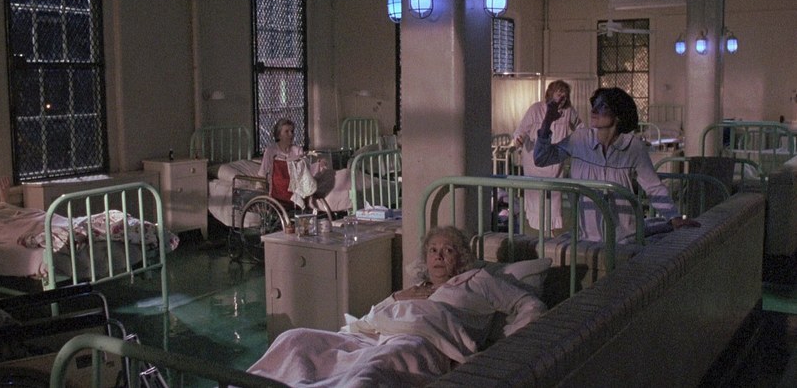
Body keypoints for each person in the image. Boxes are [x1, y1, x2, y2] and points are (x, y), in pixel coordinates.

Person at [245, 225, 546, 387]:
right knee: (295, 338)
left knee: (371, 371)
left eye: (448, 250)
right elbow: (370, 318)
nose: (438, 256)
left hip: (423, 341)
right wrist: (397, 298)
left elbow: (528, 303)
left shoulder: (478, 281)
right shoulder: (415, 289)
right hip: (373, 334)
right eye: (433, 250)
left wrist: (507, 343)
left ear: (462, 258)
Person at [534, 87, 699, 242]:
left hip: (625, 238)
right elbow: (541, 158)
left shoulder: (633, 147)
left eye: (603, 106)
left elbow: (653, 187)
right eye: (594, 105)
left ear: (618, 115)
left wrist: (674, 217)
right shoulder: (580, 139)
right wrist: (547, 121)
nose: (594, 110)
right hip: (588, 237)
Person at [512, 80, 582, 232]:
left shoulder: (568, 111)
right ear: (551, 93)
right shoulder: (536, 109)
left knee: (553, 199)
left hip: (554, 163)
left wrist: (580, 141)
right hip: (534, 160)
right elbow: (521, 129)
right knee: (535, 197)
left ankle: (551, 231)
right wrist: (519, 139)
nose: (562, 97)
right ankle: (535, 231)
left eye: (565, 95)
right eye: (559, 93)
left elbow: (580, 127)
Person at [257, 118, 328, 207]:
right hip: (279, 190)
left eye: (292, 131)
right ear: (279, 135)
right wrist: (260, 190)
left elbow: (306, 171)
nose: (291, 134)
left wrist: (318, 165)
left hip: (298, 188)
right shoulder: (271, 151)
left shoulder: (297, 150)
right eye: (286, 132)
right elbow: (262, 173)